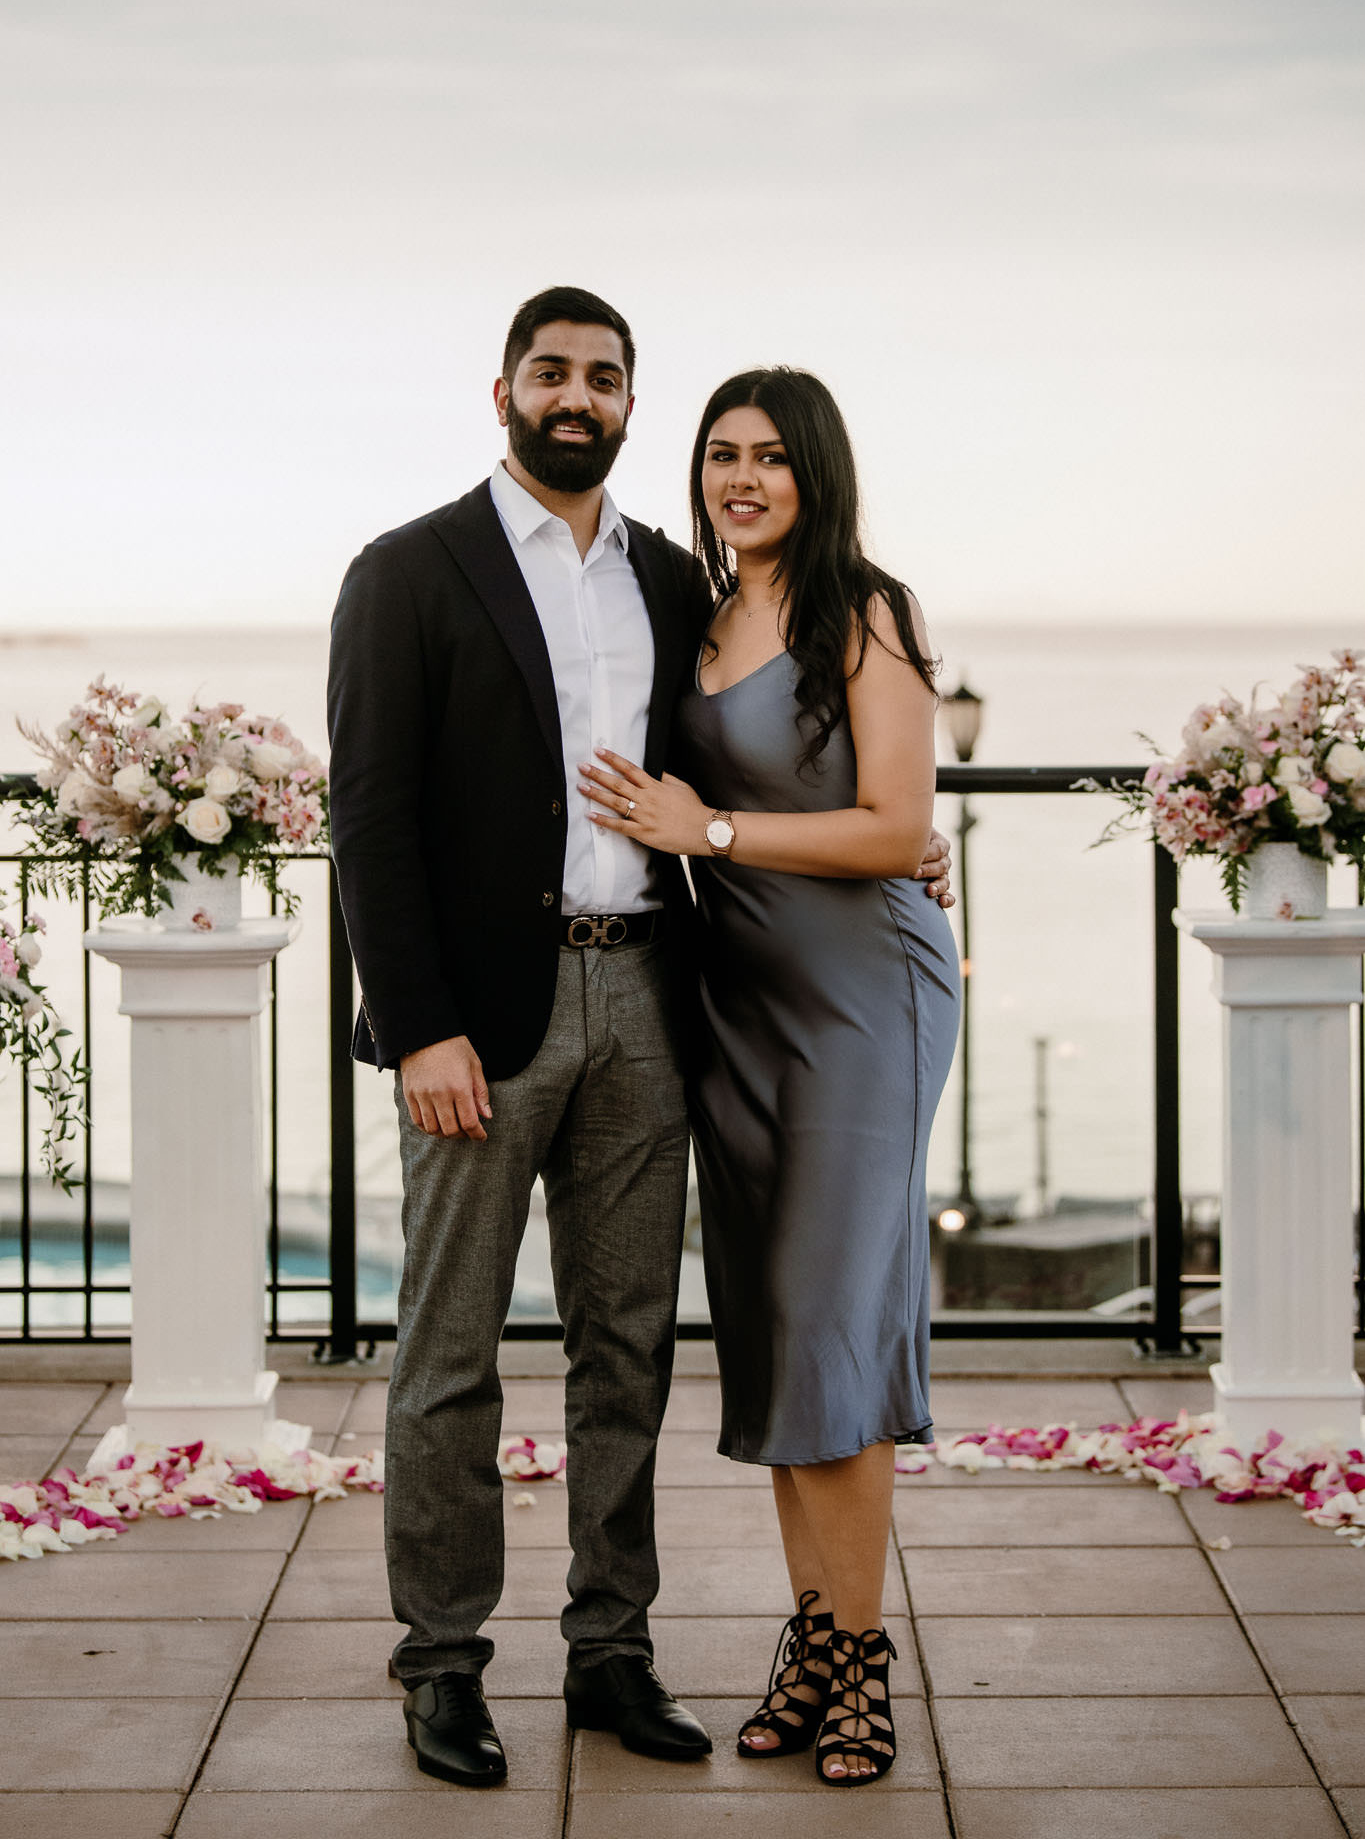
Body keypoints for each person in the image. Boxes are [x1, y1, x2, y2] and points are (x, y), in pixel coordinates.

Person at [327, 294, 954, 1789]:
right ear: (503, 390)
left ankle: (613, 1650)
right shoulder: (406, 572)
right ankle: (444, 1664)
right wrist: (419, 1027)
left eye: (604, 377)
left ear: (623, 407)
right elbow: (371, 818)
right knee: (448, 1357)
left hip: (661, 1003)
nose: (577, 395)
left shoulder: (680, 583)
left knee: (630, 1351)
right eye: (551, 371)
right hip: (486, 1021)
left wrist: (906, 850)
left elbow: (811, 758)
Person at [578, 367, 960, 1789]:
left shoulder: (865, 607)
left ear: (817, 472)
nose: (743, 478)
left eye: (771, 458)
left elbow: (892, 824)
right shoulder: (694, 607)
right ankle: (812, 1640)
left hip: (863, 1000)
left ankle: (861, 1670)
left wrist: (712, 827)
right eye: (721, 455)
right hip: (736, 1008)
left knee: (832, 1325)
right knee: (781, 1330)